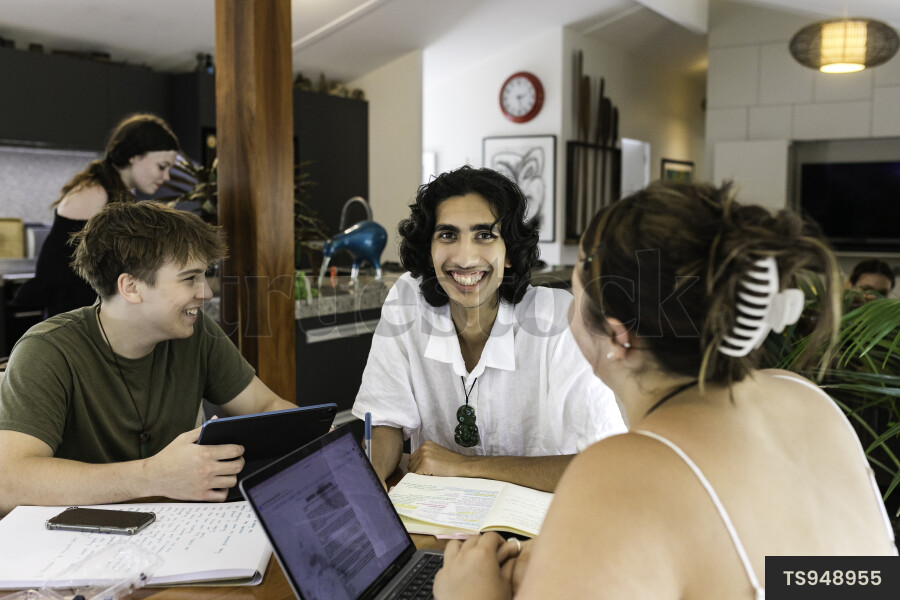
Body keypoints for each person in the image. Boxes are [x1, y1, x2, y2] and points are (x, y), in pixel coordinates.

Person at [434, 181, 896, 599]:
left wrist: (470, 595)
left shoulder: (625, 470)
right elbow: (830, 575)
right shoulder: (801, 397)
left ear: (617, 336)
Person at [0, 201, 297, 515]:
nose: (206, 293)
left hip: (172, 533)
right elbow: (9, 482)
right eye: (189, 278)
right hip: (76, 546)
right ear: (131, 287)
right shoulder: (47, 350)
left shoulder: (198, 333)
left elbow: (266, 406)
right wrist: (153, 477)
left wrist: (314, 439)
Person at [352, 166, 625, 492]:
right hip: (438, 520)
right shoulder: (407, 300)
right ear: (429, 249)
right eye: (447, 235)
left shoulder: (559, 320)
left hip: (535, 531)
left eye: (485, 235)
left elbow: (603, 464)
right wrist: (369, 479)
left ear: (509, 251)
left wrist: (465, 467)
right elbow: (384, 422)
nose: (465, 258)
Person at [14, 113, 180, 317]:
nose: (166, 176)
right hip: (73, 313)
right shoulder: (94, 192)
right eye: (162, 167)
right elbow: (60, 271)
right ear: (134, 156)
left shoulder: (115, 191)